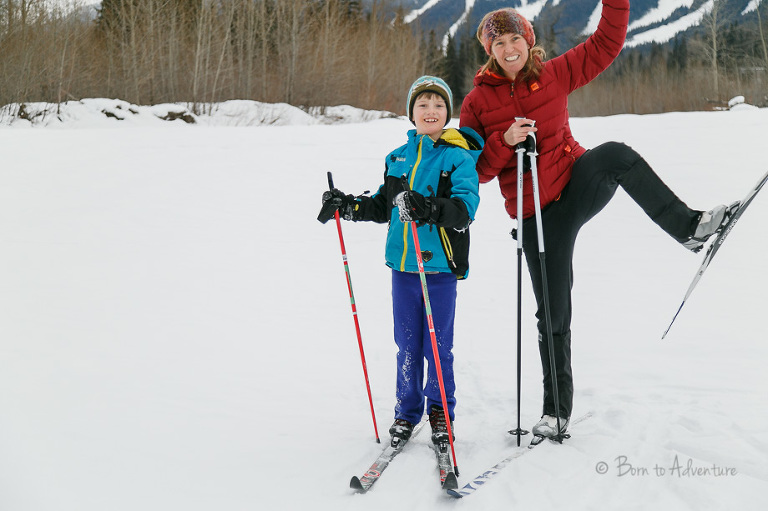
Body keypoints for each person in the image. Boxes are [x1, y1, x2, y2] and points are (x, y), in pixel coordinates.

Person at [459, 1, 736, 438]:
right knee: (553, 315)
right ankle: (555, 412)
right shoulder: (476, 103)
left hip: (575, 184)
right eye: (499, 43)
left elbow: (606, 44)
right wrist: (504, 140)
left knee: (616, 156)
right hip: (535, 217)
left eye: (515, 39)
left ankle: (690, 229)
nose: (509, 49)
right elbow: (473, 171)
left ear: (528, 41)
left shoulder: (553, 74)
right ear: (489, 51)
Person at [319, 76, 483, 447]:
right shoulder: (397, 158)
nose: (431, 111)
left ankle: (440, 413)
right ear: (411, 113)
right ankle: (406, 413)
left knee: (437, 347)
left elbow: (465, 210)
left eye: (438, 105)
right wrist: (348, 206)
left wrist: (428, 207)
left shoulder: (458, 157)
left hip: (438, 267)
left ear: (447, 113)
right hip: (403, 268)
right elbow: (382, 206)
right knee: (407, 345)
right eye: (423, 104)